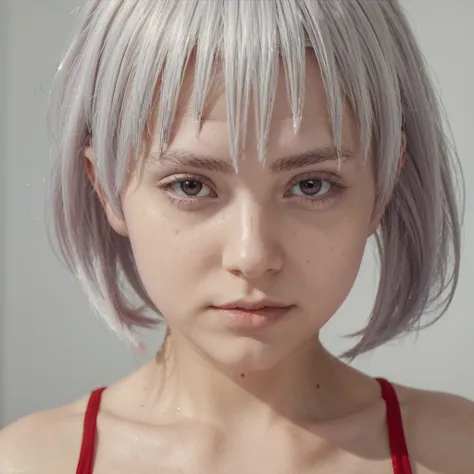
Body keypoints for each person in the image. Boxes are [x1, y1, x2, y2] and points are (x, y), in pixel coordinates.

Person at [1, 0, 473, 473]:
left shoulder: (458, 451)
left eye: (312, 184)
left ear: (384, 187)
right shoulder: (26, 462)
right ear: (105, 187)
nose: (252, 255)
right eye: (191, 186)